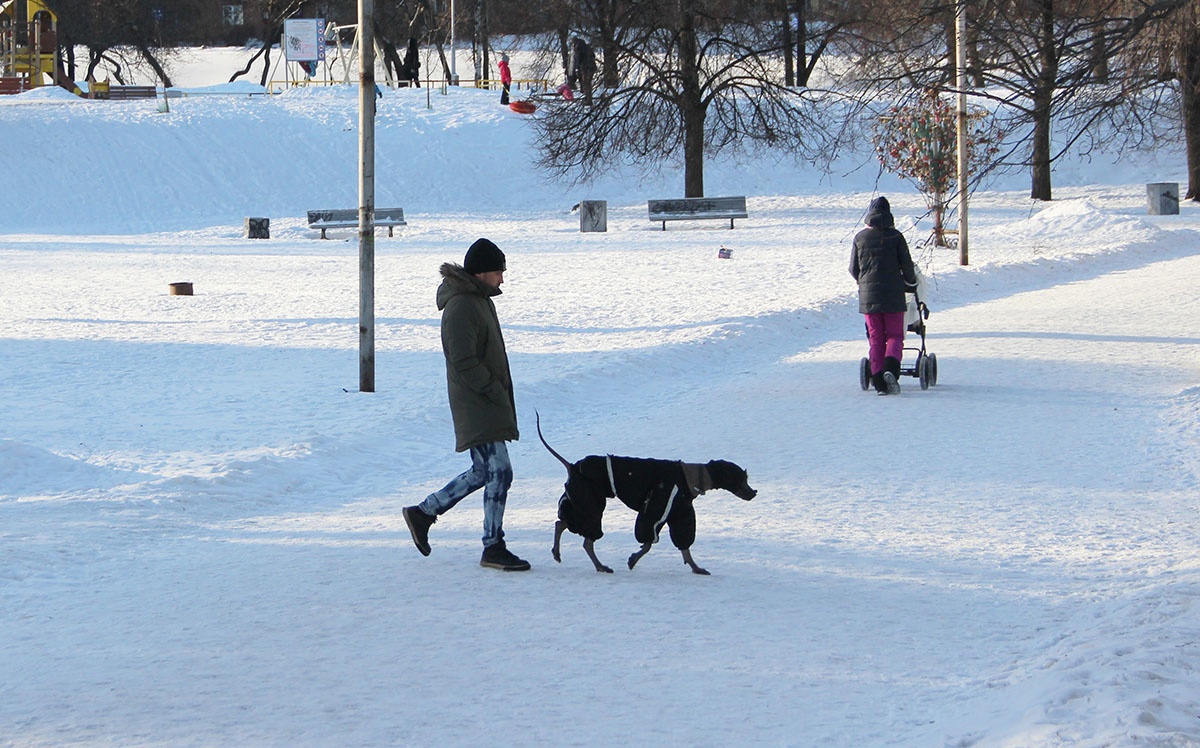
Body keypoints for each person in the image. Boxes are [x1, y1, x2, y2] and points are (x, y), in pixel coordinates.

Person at [404, 238, 530, 571]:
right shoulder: (462, 306)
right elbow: (462, 359)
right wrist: (491, 388)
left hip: (486, 400)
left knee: (484, 471)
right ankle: (493, 546)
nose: (502, 279)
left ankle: (423, 512)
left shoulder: (479, 300)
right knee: (499, 471)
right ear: (482, 272)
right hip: (477, 402)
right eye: (499, 272)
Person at [849, 196, 917, 395]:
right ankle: (891, 369)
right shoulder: (896, 237)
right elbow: (907, 265)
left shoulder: (859, 238)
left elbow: (853, 268)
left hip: (869, 297)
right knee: (895, 335)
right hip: (894, 295)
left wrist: (863, 282)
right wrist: (911, 283)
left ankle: (878, 380)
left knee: (876, 338)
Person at [567, 36, 596, 104]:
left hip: (585, 67)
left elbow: (578, 59)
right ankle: (588, 98)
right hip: (592, 67)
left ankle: (588, 100)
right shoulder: (587, 47)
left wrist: (577, 68)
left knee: (586, 83)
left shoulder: (578, 48)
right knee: (588, 83)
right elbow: (593, 56)